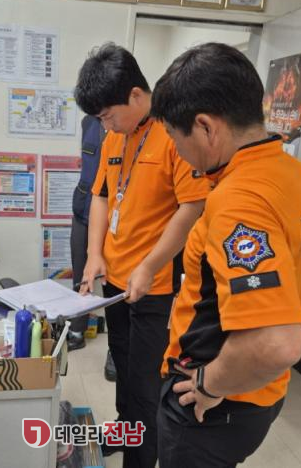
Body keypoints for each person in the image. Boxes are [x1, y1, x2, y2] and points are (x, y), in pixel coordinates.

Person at [150, 42, 301, 468]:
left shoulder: (237, 201)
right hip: (260, 396)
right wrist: (283, 305)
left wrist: (210, 383)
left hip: (213, 403)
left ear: (205, 127)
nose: (178, 154)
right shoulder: (294, 174)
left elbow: (278, 343)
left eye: (173, 137)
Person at [74, 43, 211, 467]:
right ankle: (125, 429)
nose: (104, 124)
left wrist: (150, 265)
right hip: (116, 279)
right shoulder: (117, 135)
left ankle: (141, 457)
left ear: (136, 95)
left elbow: (193, 205)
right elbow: (101, 195)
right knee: (122, 365)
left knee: (145, 382)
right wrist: (94, 255)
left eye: (106, 115)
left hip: (154, 285)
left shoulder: (174, 135)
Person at [68, 115, 106, 352]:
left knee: (119, 281)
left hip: (117, 214)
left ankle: (116, 346)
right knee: (81, 274)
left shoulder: (130, 123)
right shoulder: (88, 122)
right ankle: (76, 331)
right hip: (83, 210)